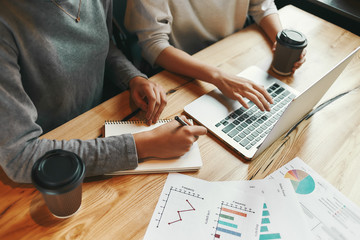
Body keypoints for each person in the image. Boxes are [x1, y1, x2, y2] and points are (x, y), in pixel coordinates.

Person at [0, 0, 207, 183]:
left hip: (97, 124)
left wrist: (132, 78)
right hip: (51, 157)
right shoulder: (7, 21)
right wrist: (143, 146)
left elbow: (101, 45)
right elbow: (19, 157)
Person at [124, 0, 306, 112]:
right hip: (181, 71)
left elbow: (261, 5)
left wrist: (283, 41)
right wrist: (218, 76)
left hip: (234, 55)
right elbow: (153, 44)